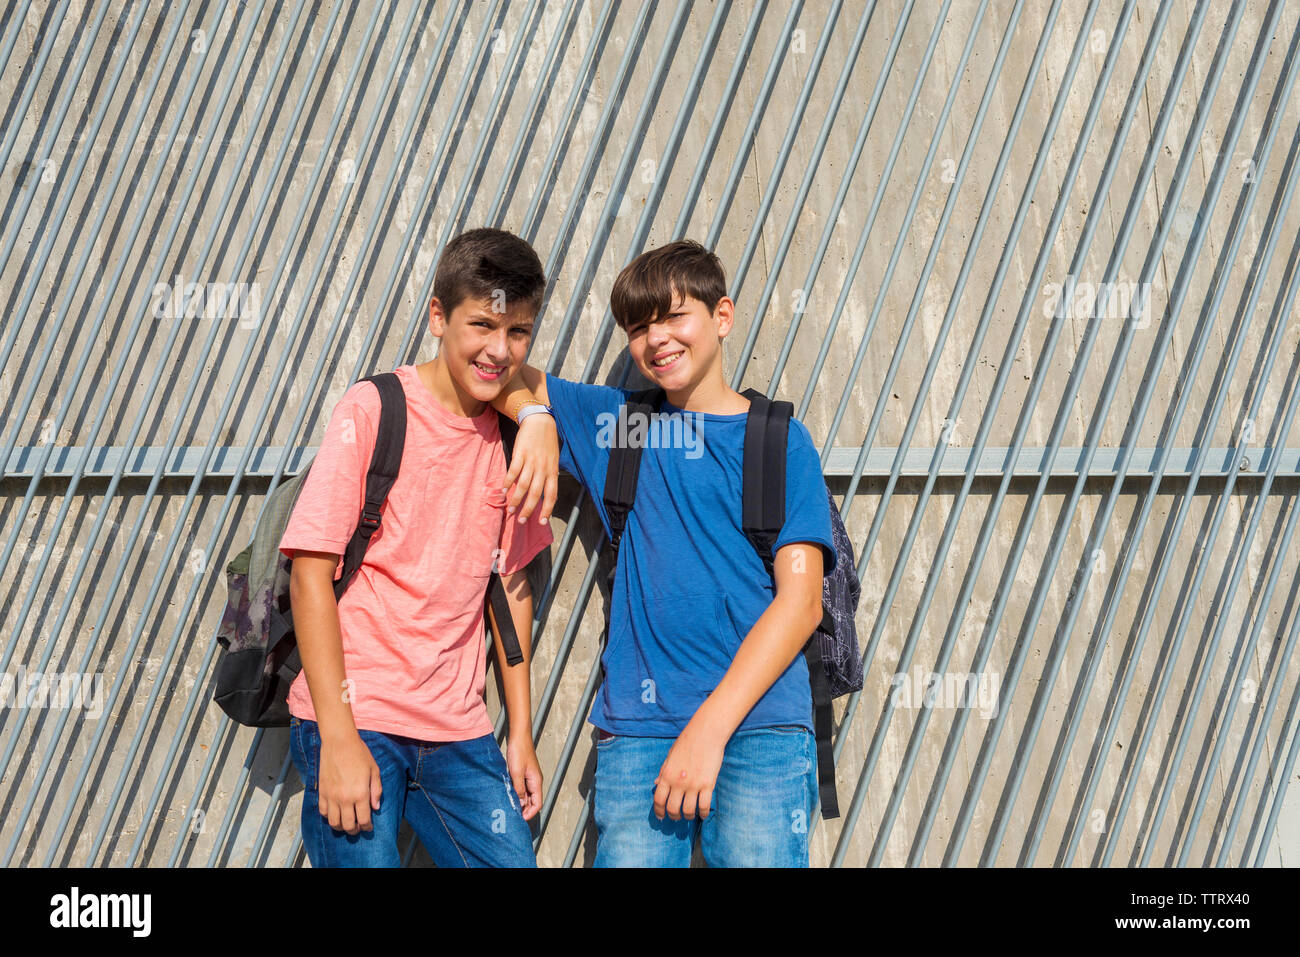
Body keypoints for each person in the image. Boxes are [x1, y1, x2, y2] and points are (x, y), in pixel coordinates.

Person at [494, 239, 836, 866]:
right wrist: (536, 416)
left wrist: (708, 729)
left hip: (760, 728)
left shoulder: (778, 442)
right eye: (639, 326)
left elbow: (802, 603)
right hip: (640, 730)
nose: (657, 339)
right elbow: (493, 367)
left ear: (722, 317)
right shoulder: (617, 426)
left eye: (675, 316)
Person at [280, 228, 557, 867]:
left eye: (518, 332)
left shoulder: (517, 440)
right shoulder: (374, 408)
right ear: (438, 315)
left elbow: (511, 589)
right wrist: (339, 736)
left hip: (459, 729)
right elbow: (310, 576)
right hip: (359, 715)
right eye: (482, 325)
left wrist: (519, 732)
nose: (498, 349)